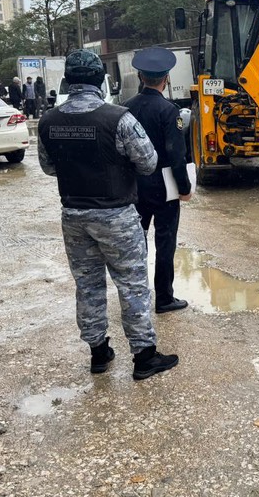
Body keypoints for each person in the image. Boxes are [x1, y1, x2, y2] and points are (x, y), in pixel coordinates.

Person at [37, 49, 178, 380]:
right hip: (116, 214)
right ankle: (144, 357)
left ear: (68, 81)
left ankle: (98, 353)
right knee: (132, 285)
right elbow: (148, 162)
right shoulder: (118, 118)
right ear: (101, 80)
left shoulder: (48, 120)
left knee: (87, 285)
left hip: (73, 214)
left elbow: (47, 168)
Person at [124, 47, 192, 314]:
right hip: (164, 189)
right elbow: (177, 155)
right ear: (166, 79)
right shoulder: (168, 110)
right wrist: (184, 188)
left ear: (140, 76)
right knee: (165, 242)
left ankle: (135, 300)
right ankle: (164, 298)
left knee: (134, 244)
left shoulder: (125, 108)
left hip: (134, 188)